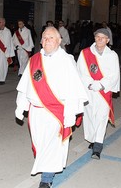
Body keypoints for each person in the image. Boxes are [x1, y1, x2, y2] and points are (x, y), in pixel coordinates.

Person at [15, 27, 88, 188]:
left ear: (59, 41)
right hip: (36, 112)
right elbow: (25, 86)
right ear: (40, 40)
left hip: (55, 112)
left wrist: (70, 114)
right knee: (40, 144)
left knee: (52, 145)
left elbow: (72, 90)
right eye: (44, 37)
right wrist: (20, 107)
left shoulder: (66, 60)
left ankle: (46, 179)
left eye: (51, 37)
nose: (47, 40)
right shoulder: (34, 59)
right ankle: (45, 169)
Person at [77, 28, 120, 160]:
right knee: (90, 116)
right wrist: (90, 83)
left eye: (103, 37)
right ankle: (93, 139)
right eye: (98, 37)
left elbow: (114, 75)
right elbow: (80, 71)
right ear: (94, 38)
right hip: (89, 90)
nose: (100, 39)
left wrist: (101, 84)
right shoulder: (85, 53)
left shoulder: (112, 55)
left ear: (108, 40)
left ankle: (98, 146)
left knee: (101, 117)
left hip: (103, 91)